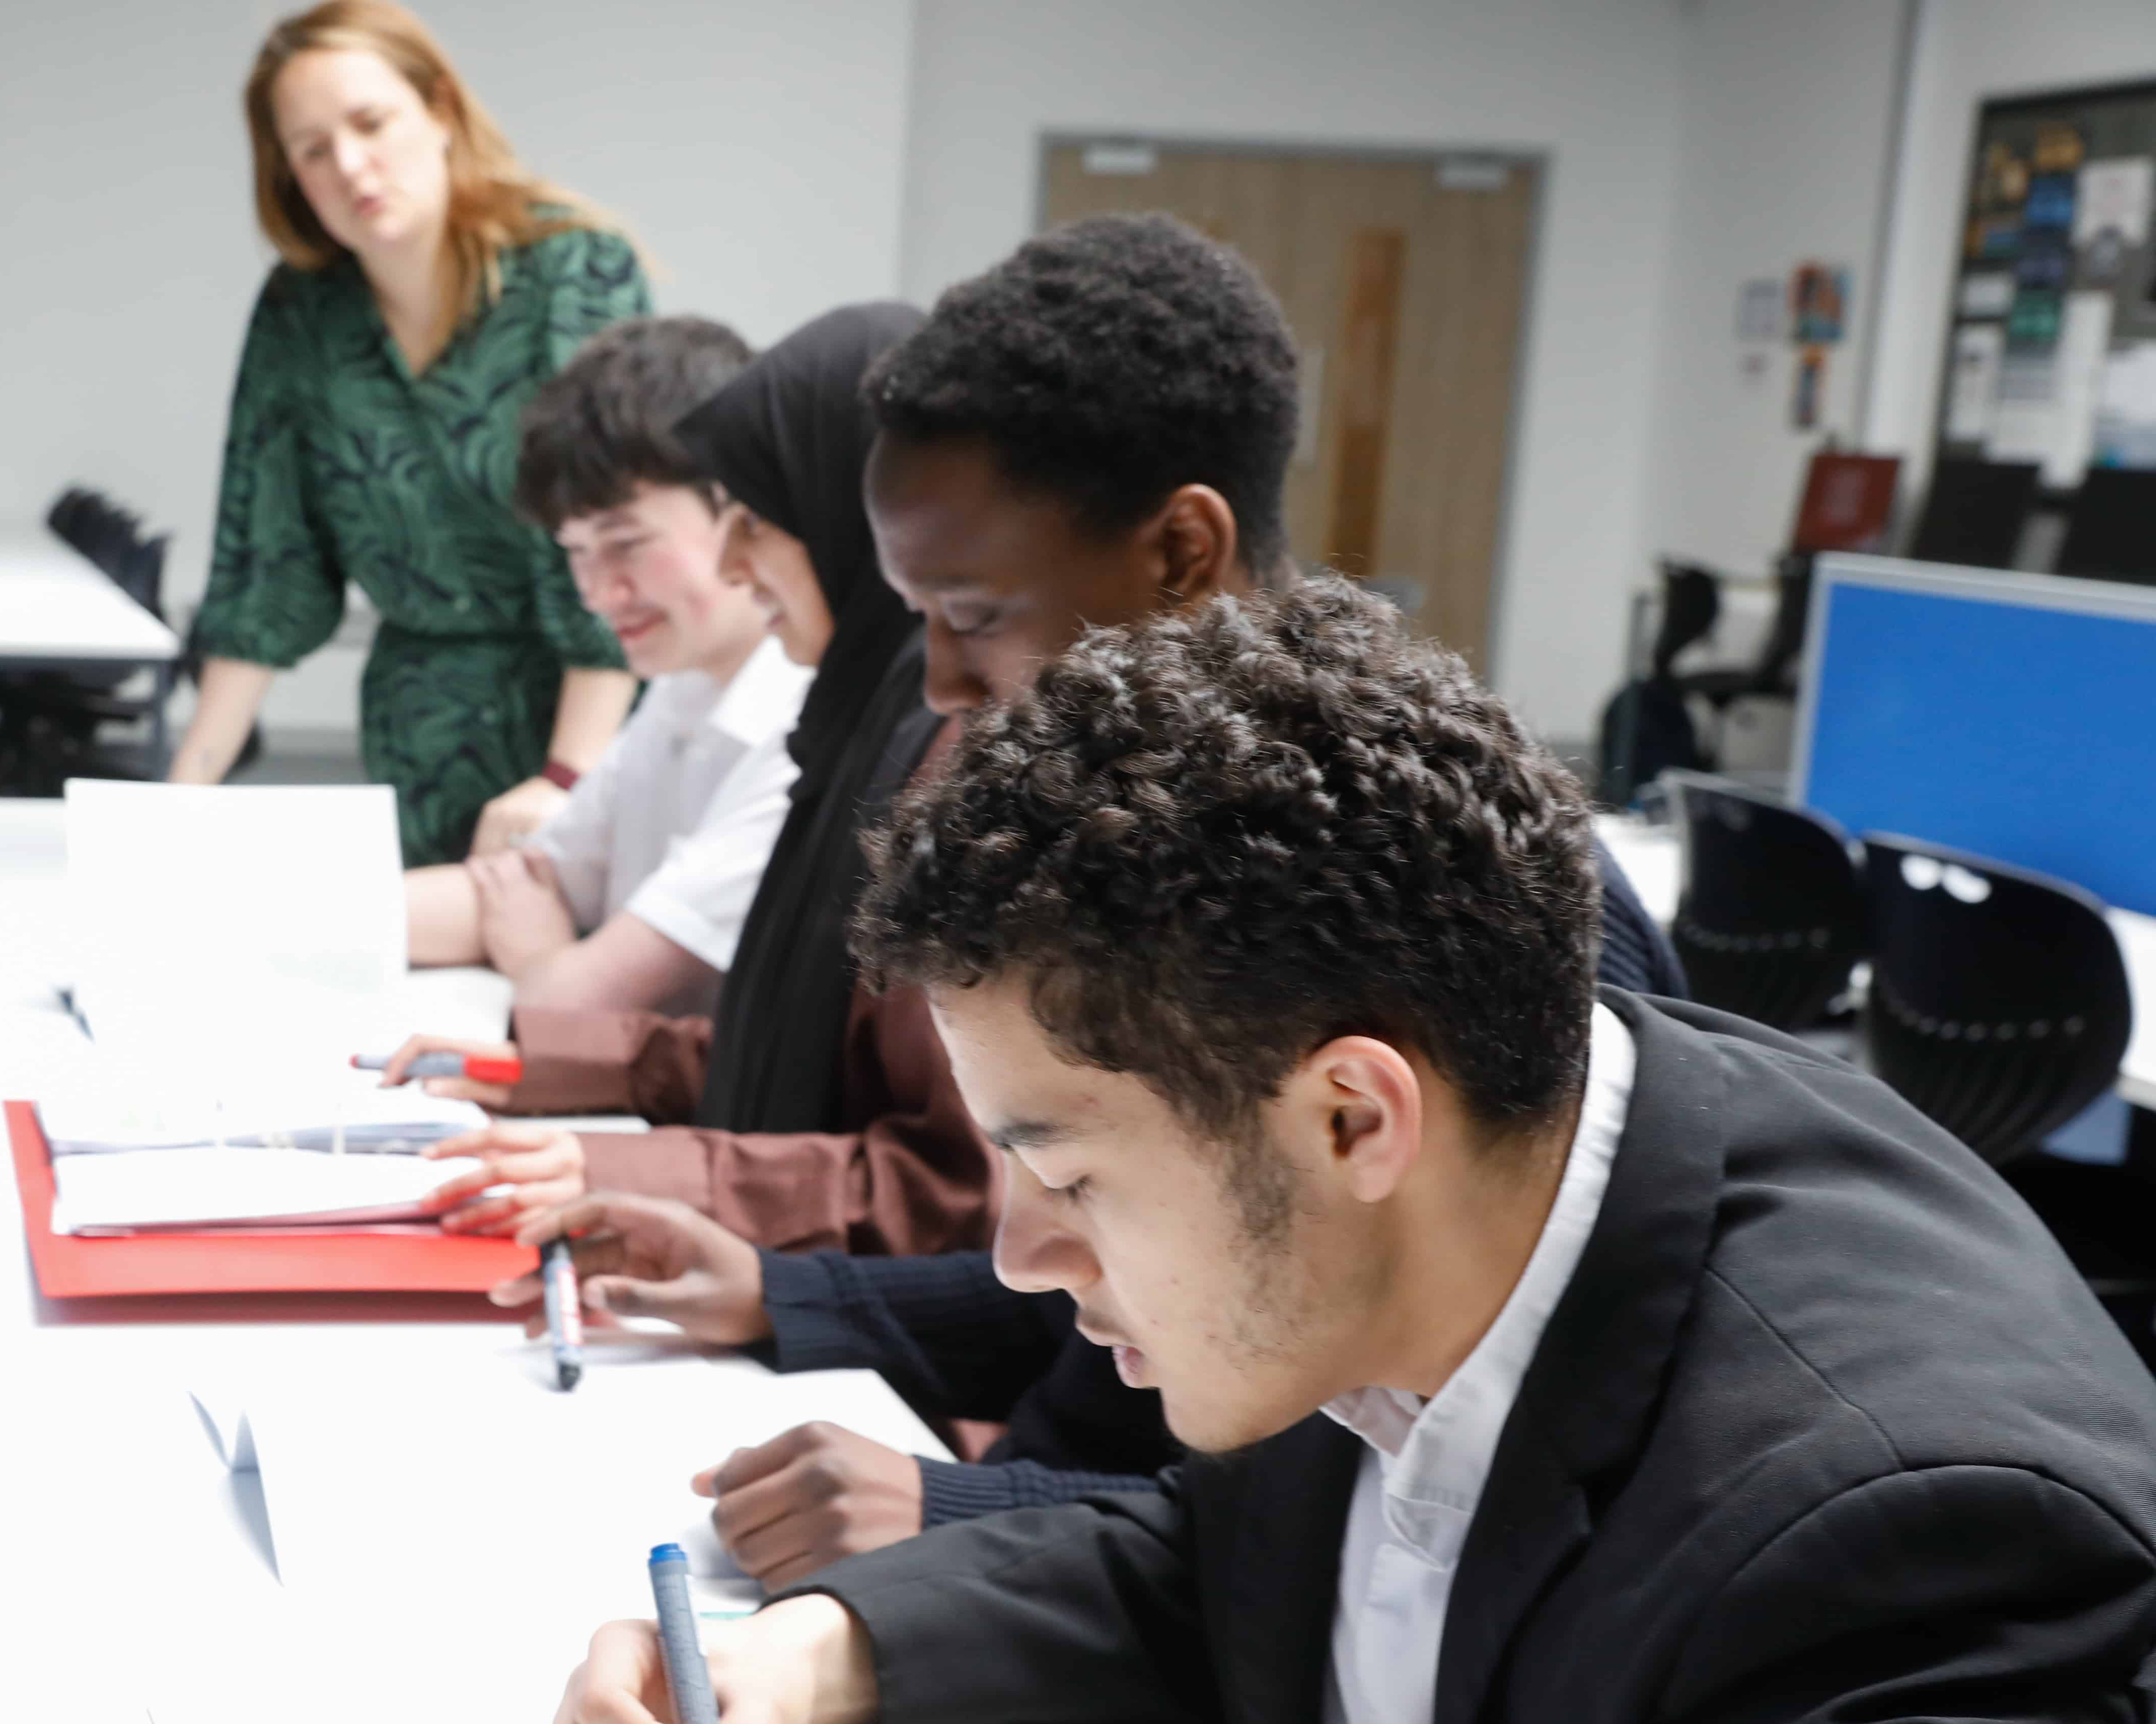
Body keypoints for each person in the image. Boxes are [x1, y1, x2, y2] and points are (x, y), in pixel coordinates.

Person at [544, 578, 2156, 1724]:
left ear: (1349, 1114)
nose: (1020, 1256)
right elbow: (1234, 1563)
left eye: (1067, 1170)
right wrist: (810, 1657)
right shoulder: (1446, 1202)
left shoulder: (1902, 1531)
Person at [496, 215, 1690, 1584]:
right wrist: (784, 1295)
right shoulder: (1149, 829)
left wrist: (971, 1520)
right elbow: (1128, 1295)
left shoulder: (1443, 903)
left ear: (1183, 551)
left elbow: (1386, 1496)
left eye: (974, 611)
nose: (938, 684)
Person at [396, 303, 1001, 1261]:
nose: (731, 564)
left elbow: (959, 1190)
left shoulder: (939, 771)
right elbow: (774, 1050)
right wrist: (537, 1067)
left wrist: (609, 1160)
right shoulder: (848, 728)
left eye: (756, 522)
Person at [170, 0, 648, 867]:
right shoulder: (300, 313)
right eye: (311, 149)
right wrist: (175, 808)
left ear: (439, 108)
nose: (351, 165)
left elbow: (623, 549)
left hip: (592, 735)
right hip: (417, 734)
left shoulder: (575, 270)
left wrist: (567, 781)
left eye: (370, 121)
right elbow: (262, 572)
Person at [403, 314, 805, 1017]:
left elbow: (577, 1003)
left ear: (744, 509)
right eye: (577, 553)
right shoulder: (685, 686)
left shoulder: (800, 726)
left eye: (626, 544)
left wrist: (542, 961)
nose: (597, 593)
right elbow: (523, 888)